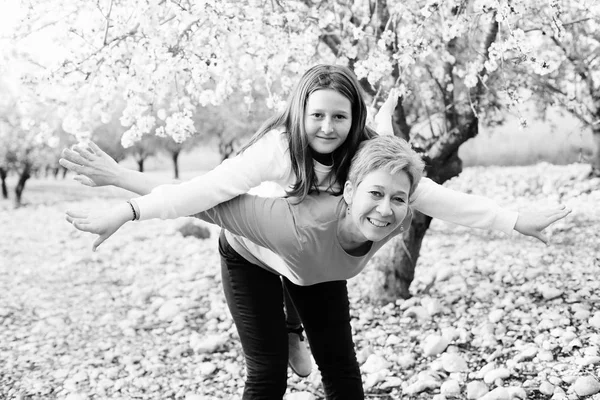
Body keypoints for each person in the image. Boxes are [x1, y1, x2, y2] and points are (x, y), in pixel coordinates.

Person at [60, 64, 555, 382]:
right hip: (258, 243)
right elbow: (206, 194)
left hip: (316, 255)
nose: (326, 127)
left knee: (339, 364)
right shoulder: (278, 149)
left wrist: (514, 220)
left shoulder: (367, 159)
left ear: (354, 119)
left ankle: (294, 324)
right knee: (268, 371)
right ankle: (289, 328)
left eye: (339, 117)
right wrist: (126, 195)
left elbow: (435, 197)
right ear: (300, 113)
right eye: (317, 115)